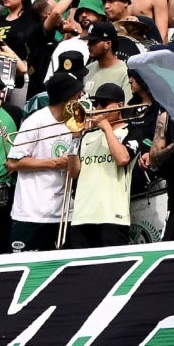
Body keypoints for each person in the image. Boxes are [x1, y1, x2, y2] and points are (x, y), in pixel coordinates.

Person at [6, 72, 83, 253]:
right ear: (66, 97)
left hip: (63, 214)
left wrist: (76, 137)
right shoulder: (36, 121)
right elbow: (13, 163)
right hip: (32, 213)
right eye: (77, 94)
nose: (81, 97)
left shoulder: (75, 122)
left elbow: (74, 173)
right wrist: (54, 163)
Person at [65, 83, 141, 249]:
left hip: (112, 216)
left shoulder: (132, 131)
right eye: (96, 103)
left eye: (104, 103)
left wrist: (106, 127)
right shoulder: (88, 136)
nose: (98, 108)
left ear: (120, 105)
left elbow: (122, 159)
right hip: (82, 215)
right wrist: (75, 138)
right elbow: (74, 172)